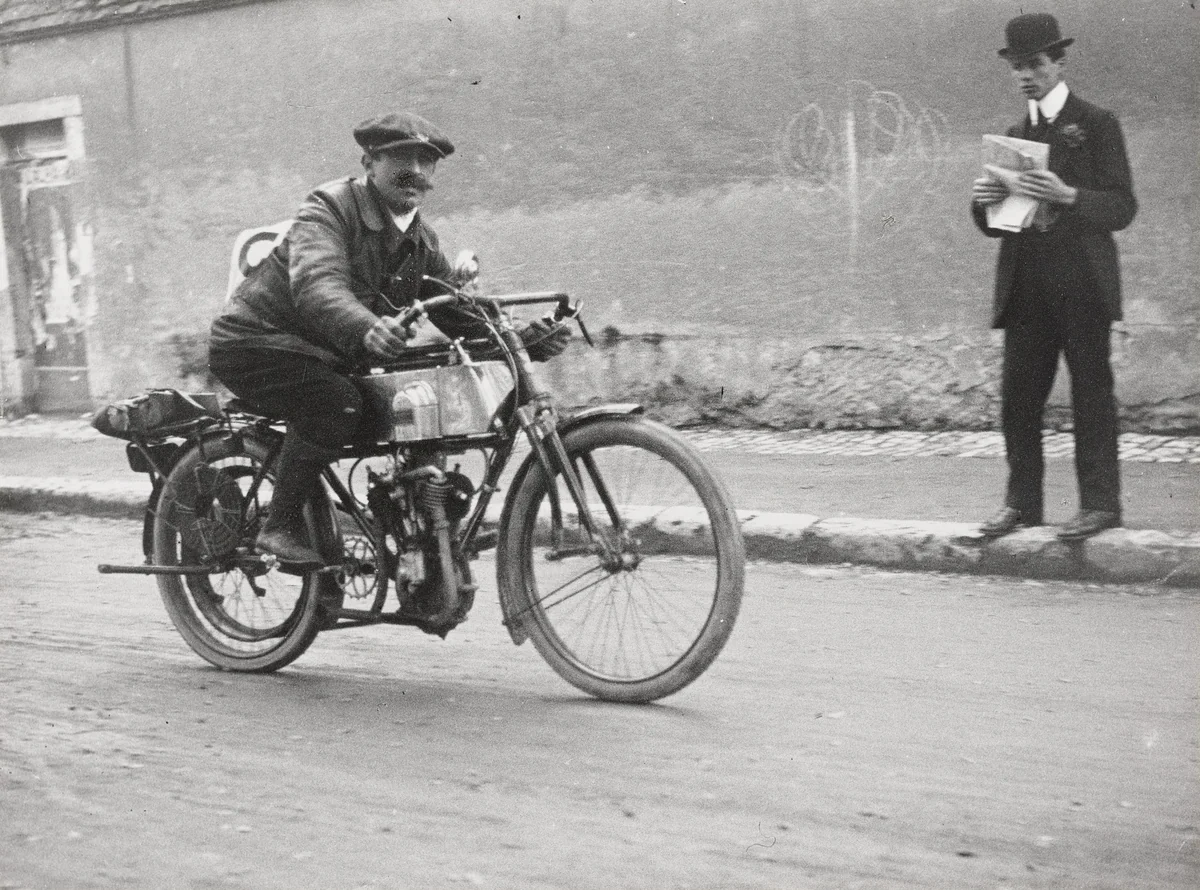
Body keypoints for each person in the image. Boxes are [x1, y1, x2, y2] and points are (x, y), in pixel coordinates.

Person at [209, 112, 571, 566]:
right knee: (335, 403)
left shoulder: (420, 241)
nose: (416, 170)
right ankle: (279, 524)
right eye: (402, 157)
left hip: (329, 353)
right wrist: (367, 327)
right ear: (369, 162)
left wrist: (521, 340)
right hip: (257, 344)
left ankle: (417, 527)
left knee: (420, 406)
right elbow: (317, 286)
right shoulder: (328, 208)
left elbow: (460, 313)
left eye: (427, 161)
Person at [970, 13, 1137, 541]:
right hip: (1027, 288)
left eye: (1035, 64)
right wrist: (983, 204)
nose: (1025, 75)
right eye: (1017, 67)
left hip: (1082, 284)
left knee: (1090, 394)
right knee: (1018, 398)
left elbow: (1123, 206)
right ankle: (1022, 505)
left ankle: (1100, 505)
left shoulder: (1097, 122)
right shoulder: (1015, 137)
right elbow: (998, 226)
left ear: (1058, 64)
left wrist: (1069, 197)